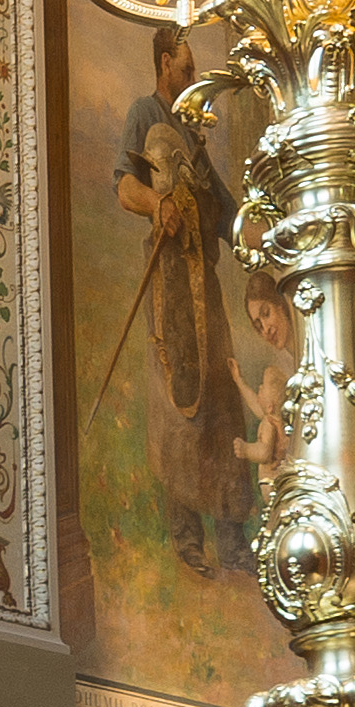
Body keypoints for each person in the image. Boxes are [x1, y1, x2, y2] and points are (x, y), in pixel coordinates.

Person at [115, 32, 261, 570]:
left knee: (222, 401)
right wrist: (157, 205)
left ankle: (232, 535)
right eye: (187, 66)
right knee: (180, 399)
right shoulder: (143, 113)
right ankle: (187, 538)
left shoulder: (193, 140)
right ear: (164, 64)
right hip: (170, 285)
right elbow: (123, 185)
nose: (192, 76)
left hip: (209, 286)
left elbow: (228, 213)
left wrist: (257, 234)